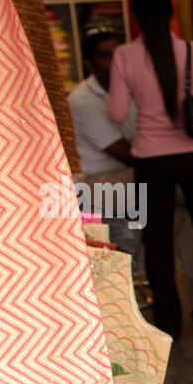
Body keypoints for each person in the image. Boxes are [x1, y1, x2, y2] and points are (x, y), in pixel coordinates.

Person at [107, 0, 193, 340]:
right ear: (171, 12)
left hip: (151, 159)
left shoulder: (124, 56)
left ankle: (168, 322)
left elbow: (116, 111)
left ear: (135, 16)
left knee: (157, 241)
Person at [69, 29, 139, 254]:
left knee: (181, 189)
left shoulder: (130, 90)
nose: (116, 62)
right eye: (106, 55)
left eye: (118, 54)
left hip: (126, 174)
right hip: (95, 184)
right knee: (170, 180)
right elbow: (127, 154)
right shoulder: (83, 101)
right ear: (89, 64)